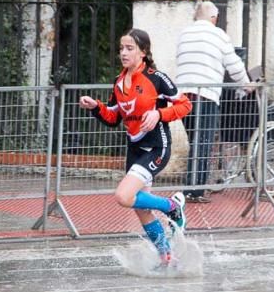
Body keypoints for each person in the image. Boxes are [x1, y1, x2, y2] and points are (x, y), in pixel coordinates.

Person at [79, 28, 191, 269]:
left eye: (129, 48)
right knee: (141, 208)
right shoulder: (119, 83)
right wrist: (95, 107)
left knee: (123, 196)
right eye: (121, 48)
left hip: (156, 147)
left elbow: (185, 105)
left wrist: (159, 113)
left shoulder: (156, 78)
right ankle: (166, 255)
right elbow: (112, 118)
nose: (123, 53)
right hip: (135, 149)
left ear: (143, 52)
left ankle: (172, 207)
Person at [175, 1, 251, 203]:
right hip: (205, 95)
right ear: (214, 18)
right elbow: (235, 66)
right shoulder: (219, 35)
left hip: (182, 97)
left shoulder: (184, 34)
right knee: (204, 143)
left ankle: (192, 188)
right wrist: (247, 85)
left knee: (195, 142)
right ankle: (195, 191)